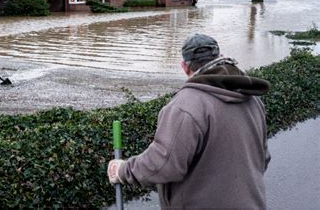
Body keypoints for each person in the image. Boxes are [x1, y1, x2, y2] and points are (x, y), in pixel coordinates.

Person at [107, 33, 271, 208]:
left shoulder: (185, 105)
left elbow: (164, 164)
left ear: (185, 66)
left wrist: (123, 170)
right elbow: (264, 158)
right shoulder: (253, 100)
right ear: (219, 57)